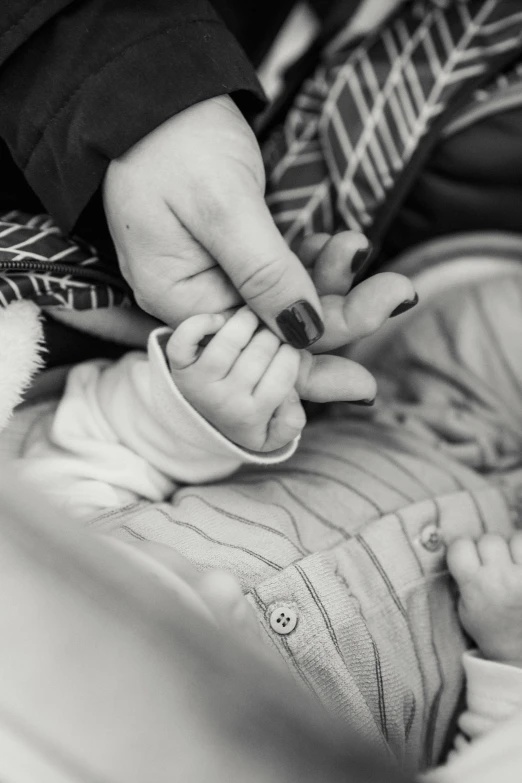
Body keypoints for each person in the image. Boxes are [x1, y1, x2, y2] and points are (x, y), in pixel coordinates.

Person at [3, 228, 522, 775]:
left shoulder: (44, 570)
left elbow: (98, 441)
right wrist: (509, 661)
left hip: (420, 424)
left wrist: (201, 407)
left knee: (496, 319)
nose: (218, 590)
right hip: (481, 630)